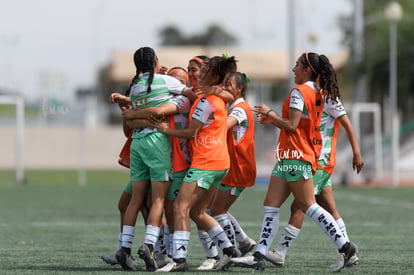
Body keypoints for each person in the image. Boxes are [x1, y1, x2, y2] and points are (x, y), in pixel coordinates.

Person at [231, 52, 358, 272]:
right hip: (289, 157)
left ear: (307, 70)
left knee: (308, 206)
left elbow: (292, 125)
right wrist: (272, 118)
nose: (293, 69)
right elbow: (297, 126)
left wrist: (270, 113)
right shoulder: (316, 93)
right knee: (271, 205)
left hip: (298, 157)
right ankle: (260, 255)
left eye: (297, 65)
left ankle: (345, 247)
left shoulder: (300, 92)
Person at [149, 55, 241, 272]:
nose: (198, 75)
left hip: (205, 162)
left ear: (213, 76)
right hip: (220, 162)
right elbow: (225, 95)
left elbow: (191, 132)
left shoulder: (206, 100)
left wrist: (165, 130)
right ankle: (229, 250)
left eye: (203, 71)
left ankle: (179, 260)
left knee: (180, 207)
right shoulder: (216, 97)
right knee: (198, 212)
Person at [110, 46, 196, 271]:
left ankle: (124, 249)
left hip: (137, 144)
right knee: (158, 199)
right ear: (157, 61)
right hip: (157, 143)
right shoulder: (167, 82)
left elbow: (133, 117)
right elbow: (192, 97)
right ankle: (148, 245)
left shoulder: (135, 86)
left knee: (136, 200)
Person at [266, 85, 364, 269]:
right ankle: (348, 253)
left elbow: (347, 125)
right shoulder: (311, 96)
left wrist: (356, 153)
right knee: (329, 207)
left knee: (300, 205)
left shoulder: (329, 98)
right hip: (313, 158)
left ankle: (280, 253)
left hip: (321, 161)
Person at [196, 72, 257, 271]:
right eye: (223, 83)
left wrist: (200, 121)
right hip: (231, 166)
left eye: (228, 84)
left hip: (238, 168)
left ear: (239, 89)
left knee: (217, 211)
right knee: (214, 209)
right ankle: (242, 242)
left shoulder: (240, 108)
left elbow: (223, 126)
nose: (224, 87)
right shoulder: (234, 105)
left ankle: (229, 253)